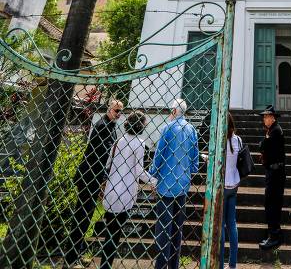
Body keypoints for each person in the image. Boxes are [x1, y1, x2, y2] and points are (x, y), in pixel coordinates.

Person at [64, 98, 124, 268]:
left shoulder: (109, 126)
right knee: (81, 217)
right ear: (109, 109)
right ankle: (71, 259)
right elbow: (104, 154)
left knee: (85, 217)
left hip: (93, 176)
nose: (118, 114)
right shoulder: (103, 126)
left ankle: (78, 253)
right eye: (116, 110)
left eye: (121, 111)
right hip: (89, 177)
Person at [99, 111, 155, 269]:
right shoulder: (139, 143)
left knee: (110, 232)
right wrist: (153, 180)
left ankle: (105, 264)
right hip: (125, 193)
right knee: (116, 233)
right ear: (140, 125)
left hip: (111, 190)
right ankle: (106, 265)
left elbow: (108, 164)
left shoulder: (119, 141)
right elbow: (139, 170)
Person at [150, 98, 199, 269]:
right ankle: (174, 265)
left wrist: (152, 176)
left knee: (163, 228)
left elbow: (159, 155)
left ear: (173, 111)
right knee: (177, 229)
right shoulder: (192, 130)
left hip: (165, 185)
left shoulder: (167, 128)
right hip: (183, 185)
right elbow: (195, 160)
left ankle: (161, 265)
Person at [258, 105, 286, 250]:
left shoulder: (275, 131)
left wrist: (264, 143)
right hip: (273, 171)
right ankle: (274, 234)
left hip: (275, 173)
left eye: (266, 117)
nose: (264, 119)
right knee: (271, 204)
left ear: (273, 118)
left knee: (272, 204)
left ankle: (274, 236)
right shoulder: (271, 130)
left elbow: (263, 146)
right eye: (264, 117)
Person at [220, 113, 241, 269]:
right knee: (232, 224)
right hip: (234, 186)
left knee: (220, 225)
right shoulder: (238, 140)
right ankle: (233, 263)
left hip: (222, 186)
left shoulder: (221, 141)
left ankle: (220, 264)